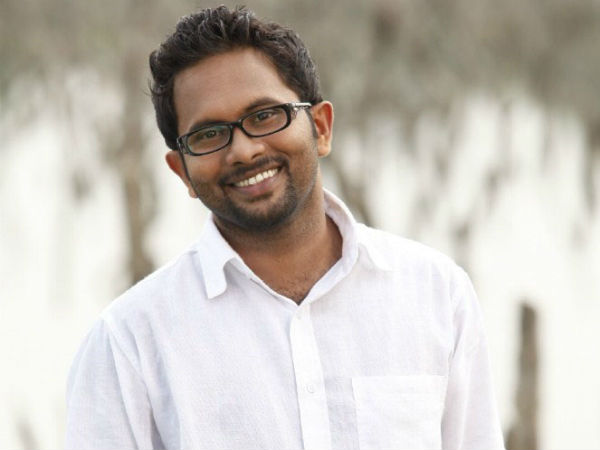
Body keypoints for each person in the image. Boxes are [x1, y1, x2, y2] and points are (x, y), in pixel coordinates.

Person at [65, 6, 504, 450]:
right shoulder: (129, 344)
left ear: (321, 128)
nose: (243, 151)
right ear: (183, 173)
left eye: (265, 116)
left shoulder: (435, 294)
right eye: (209, 134)